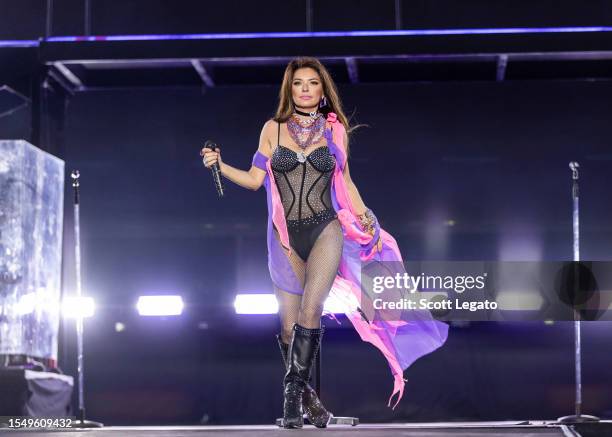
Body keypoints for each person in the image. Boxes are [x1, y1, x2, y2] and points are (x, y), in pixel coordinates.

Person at [201, 56, 449, 429]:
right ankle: (310, 402)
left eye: (312, 83)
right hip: (283, 237)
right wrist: (220, 165)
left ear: (322, 89)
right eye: (298, 83)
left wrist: (368, 219)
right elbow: (255, 180)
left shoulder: (335, 130)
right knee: (288, 328)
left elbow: (346, 183)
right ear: (290, 89)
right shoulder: (273, 128)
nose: (305, 89)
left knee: (310, 311)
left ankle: (289, 399)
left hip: (325, 229)